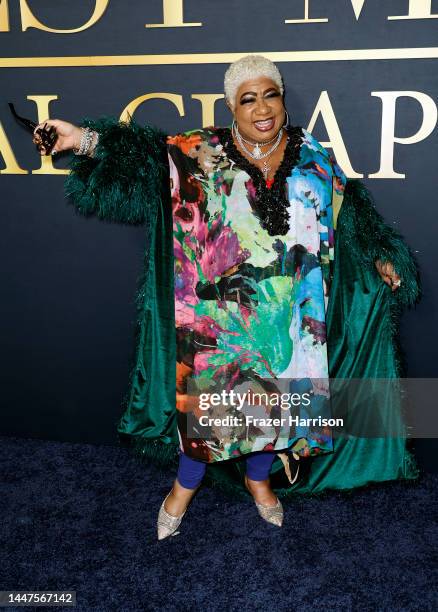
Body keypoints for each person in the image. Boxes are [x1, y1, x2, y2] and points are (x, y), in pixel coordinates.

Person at [33, 55, 420, 541]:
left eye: (270, 95)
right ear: (231, 107)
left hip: (292, 321)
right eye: (248, 98)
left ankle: (259, 480)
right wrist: (83, 140)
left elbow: (351, 211)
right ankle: (182, 488)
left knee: (276, 410)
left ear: (282, 98)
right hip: (219, 323)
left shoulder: (313, 155)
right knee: (211, 416)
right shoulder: (200, 150)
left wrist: (383, 254)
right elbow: (143, 160)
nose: (262, 108)